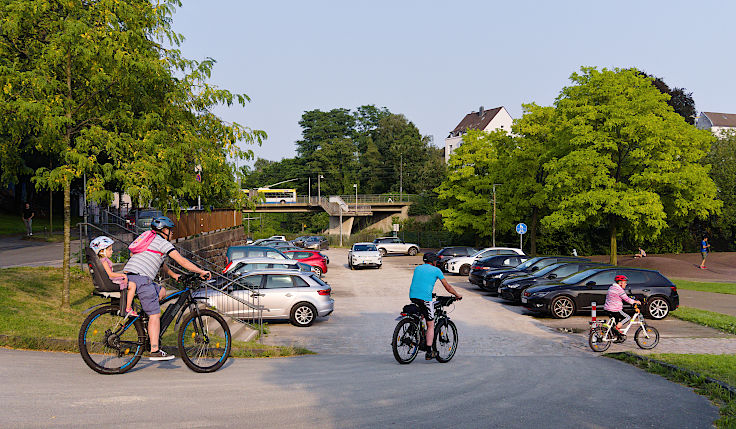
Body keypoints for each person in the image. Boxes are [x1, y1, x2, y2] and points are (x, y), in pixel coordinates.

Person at [123, 216, 211, 361]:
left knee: (162, 291)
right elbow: (181, 260)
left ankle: (147, 325)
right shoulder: (162, 243)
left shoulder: (150, 240)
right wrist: (201, 272)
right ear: (164, 230)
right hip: (142, 279)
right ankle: (154, 349)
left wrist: (174, 275)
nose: (172, 234)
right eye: (170, 231)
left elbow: (161, 264)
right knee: (155, 314)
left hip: (132, 276)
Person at [409, 257, 462, 360]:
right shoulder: (437, 270)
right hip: (425, 298)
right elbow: (448, 287)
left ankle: (416, 331)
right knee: (431, 325)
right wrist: (457, 294)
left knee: (422, 313)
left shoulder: (418, 268)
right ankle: (429, 352)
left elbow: (421, 283)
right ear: (433, 261)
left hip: (413, 296)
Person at [90, 236, 138, 317]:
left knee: (129, 281)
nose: (112, 251)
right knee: (132, 285)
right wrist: (122, 275)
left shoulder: (101, 261)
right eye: (109, 250)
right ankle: (128, 309)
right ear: (102, 251)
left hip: (107, 281)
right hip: (109, 282)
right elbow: (110, 274)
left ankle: (122, 307)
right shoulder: (104, 261)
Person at [603, 275, 641, 341]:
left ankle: (617, 336)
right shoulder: (619, 290)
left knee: (616, 321)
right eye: (624, 282)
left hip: (607, 309)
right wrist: (636, 302)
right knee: (627, 317)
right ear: (620, 283)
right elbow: (627, 299)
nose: (626, 284)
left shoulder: (611, 287)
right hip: (615, 309)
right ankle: (616, 328)